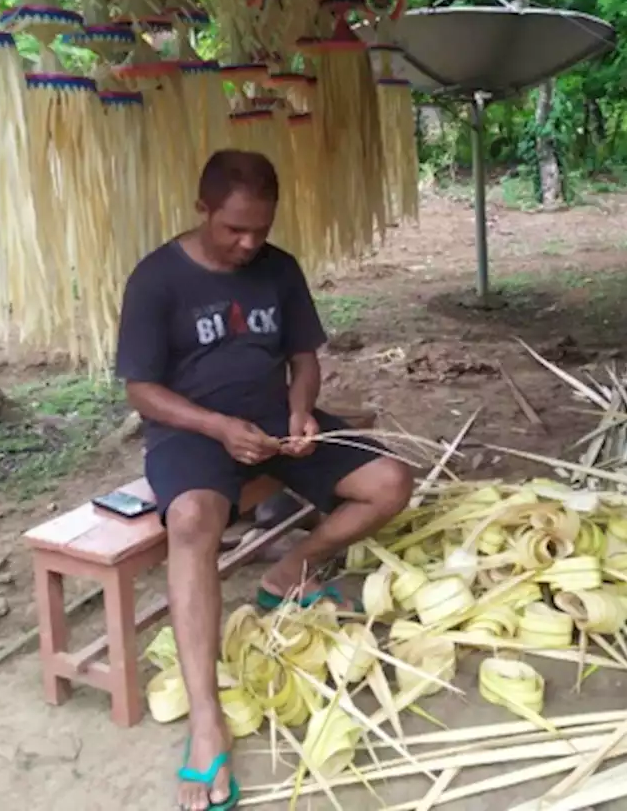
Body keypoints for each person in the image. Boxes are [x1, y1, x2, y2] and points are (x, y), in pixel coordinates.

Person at [114, 149, 414, 811]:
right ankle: (205, 721)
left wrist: (303, 409)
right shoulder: (157, 280)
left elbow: (303, 357)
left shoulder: (279, 270)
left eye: (261, 229)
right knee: (192, 520)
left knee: (391, 481)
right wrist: (218, 427)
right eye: (234, 230)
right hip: (192, 434)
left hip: (278, 424)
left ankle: (288, 576)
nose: (250, 243)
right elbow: (141, 390)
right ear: (203, 209)